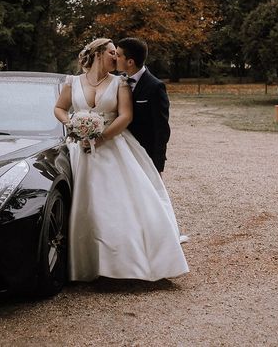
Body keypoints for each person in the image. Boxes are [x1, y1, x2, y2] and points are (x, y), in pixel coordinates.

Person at [54, 38, 188, 282]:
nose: (115, 58)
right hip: (79, 151)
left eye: (117, 54)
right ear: (97, 54)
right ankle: (83, 262)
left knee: (114, 204)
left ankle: (120, 265)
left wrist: (101, 137)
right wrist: (72, 124)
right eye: (112, 53)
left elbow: (125, 116)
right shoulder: (72, 82)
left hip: (112, 146)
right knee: (82, 204)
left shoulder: (120, 83)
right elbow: (60, 108)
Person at [115, 38, 170, 173]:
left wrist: (157, 166)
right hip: (121, 152)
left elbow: (161, 129)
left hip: (144, 155)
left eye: (118, 55)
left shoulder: (155, 87)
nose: (114, 58)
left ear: (130, 62)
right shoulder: (118, 82)